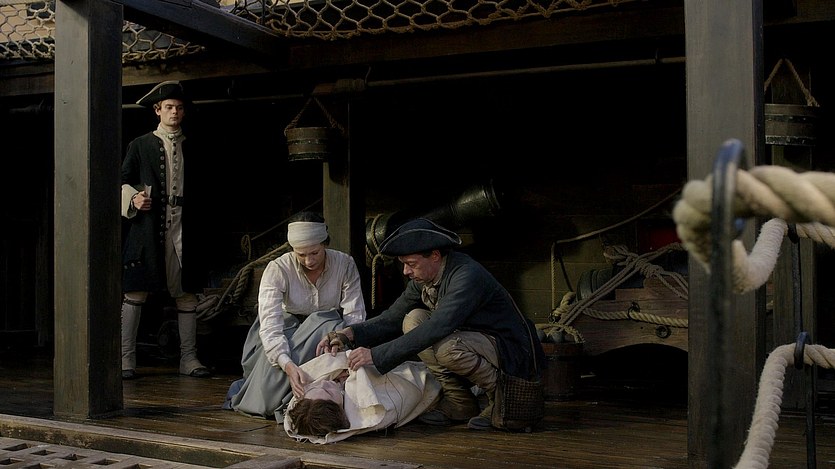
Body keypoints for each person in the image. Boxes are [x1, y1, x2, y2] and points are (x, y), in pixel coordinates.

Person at [318, 217, 546, 431]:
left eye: (411, 264)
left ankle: (501, 399)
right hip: (475, 341)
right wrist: (348, 334)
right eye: (403, 264)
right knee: (413, 319)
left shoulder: (466, 275)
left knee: (448, 348)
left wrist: (375, 355)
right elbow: (393, 317)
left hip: (511, 349)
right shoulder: (424, 278)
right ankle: (460, 401)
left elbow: (437, 327)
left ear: (435, 256)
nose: (406, 271)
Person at [223, 211, 367, 420]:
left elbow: (355, 316)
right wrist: (287, 365)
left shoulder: (344, 264)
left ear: (325, 243)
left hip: (325, 335)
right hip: (284, 332)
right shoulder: (277, 269)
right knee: (266, 396)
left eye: (315, 253)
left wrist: (346, 344)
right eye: (301, 255)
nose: (309, 261)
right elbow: (271, 326)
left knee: (329, 324)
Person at [120, 80, 212, 380]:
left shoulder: (195, 145)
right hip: (147, 230)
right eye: (169, 107)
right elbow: (120, 180)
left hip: (184, 229)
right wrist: (133, 198)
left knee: (186, 294)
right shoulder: (140, 145)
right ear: (157, 110)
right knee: (135, 292)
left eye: (179, 108)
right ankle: (125, 359)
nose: (175, 112)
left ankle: (189, 359)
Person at [283, 350, 441, 443]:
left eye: (318, 386)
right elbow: (401, 392)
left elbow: (294, 414)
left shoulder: (313, 403)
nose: (326, 382)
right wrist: (355, 374)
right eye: (328, 391)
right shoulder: (368, 413)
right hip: (429, 381)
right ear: (338, 409)